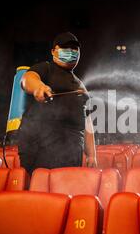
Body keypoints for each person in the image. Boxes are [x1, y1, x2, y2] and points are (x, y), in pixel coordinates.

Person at [18, 32, 97, 174]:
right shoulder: (46, 68)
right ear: (53, 51)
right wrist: (38, 88)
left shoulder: (80, 85)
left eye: (75, 49)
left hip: (72, 153)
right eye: (66, 48)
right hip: (40, 149)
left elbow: (88, 123)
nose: (71, 52)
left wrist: (91, 154)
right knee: (40, 192)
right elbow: (27, 79)